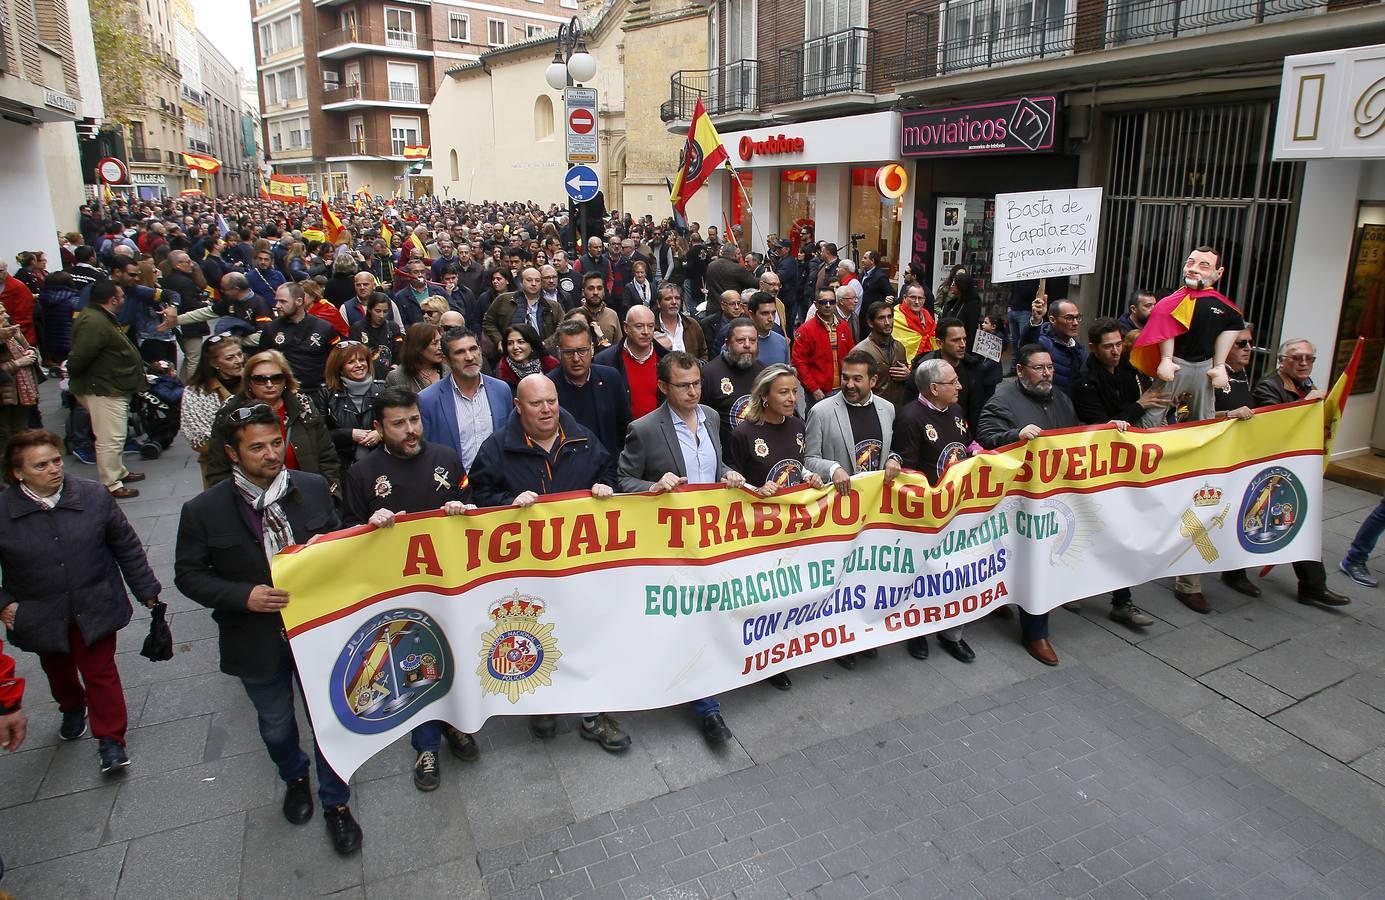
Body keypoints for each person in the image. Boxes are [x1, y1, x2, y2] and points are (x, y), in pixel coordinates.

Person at [174, 404, 362, 855]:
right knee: (277, 724)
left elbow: (338, 541)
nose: (271, 454)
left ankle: (336, 802)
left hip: (316, 635)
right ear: (232, 453)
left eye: (276, 442)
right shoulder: (204, 510)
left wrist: (332, 549)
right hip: (256, 642)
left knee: (328, 722)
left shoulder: (313, 489)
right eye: (256, 447)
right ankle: (294, 775)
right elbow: (189, 575)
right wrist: (245, 596)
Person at [468, 375, 631, 752]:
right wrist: (507, 502)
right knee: (535, 637)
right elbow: (479, 496)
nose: (547, 410)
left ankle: (595, 714)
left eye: (552, 401)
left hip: (580, 566)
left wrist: (604, 488)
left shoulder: (583, 438)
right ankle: (541, 706)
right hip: (529, 571)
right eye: (537, 403)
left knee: (587, 638)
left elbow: (608, 472)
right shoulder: (496, 449)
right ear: (518, 408)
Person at [343, 387, 479, 791]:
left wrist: (463, 510)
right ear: (378, 428)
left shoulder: (445, 458)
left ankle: (457, 726)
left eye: (414, 419)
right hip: (400, 592)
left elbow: (472, 506)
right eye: (398, 423)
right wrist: (370, 524)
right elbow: (345, 533)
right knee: (417, 667)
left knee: (455, 657)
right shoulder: (363, 474)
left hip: (451, 584)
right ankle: (426, 746)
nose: (410, 430)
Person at [0, 429, 159, 773]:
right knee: (57, 669)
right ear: (18, 473)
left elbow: (126, 545)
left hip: (96, 602)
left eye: (56, 460)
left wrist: (146, 590)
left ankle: (111, 740)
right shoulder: (2, 512)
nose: (54, 469)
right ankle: (72, 706)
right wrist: (4, 603)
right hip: (40, 612)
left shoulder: (93, 495)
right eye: (41, 465)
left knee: (100, 671)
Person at [616, 350, 746, 744]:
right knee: (690, 618)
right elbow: (623, 481)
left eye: (696, 384)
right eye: (683, 386)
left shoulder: (710, 417)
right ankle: (707, 708)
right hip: (672, 544)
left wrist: (728, 474)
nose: (693, 392)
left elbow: (714, 467)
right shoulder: (644, 429)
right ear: (662, 387)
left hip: (712, 537)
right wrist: (654, 487)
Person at [802, 350, 910, 666]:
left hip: (875, 514)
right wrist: (833, 468)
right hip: (839, 515)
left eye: (857, 379)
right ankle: (837, 642)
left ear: (873, 380)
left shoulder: (888, 409)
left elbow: (897, 449)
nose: (848, 384)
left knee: (867, 576)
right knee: (838, 580)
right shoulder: (822, 411)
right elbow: (807, 459)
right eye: (845, 377)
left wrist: (896, 459)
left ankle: (863, 633)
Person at [976, 345, 1078, 666]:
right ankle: (1035, 632)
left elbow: (1077, 433)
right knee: (1030, 559)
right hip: (1020, 501)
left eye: (1050, 367)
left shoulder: (1061, 398)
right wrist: (1015, 434)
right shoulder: (1002, 401)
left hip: (1056, 496)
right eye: (1039, 368)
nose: (1047, 373)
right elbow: (986, 436)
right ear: (1020, 371)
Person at [1069, 317, 1170, 627]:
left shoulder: (1126, 368)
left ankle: (1121, 601)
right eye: (1108, 347)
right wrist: (1139, 405)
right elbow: (1103, 426)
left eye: (1118, 345)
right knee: (1093, 529)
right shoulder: (1085, 380)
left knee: (1120, 529)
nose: (1115, 351)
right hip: (1096, 465)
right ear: (1093, 347)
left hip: (1126, 465)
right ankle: (1074, 586)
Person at [1245, 339, 1350, 609]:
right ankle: (1234, 573)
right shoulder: (1269, 386)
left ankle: (1313, 587)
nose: (1304, 363)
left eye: (1309, 358)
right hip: (1265, 468)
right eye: (1297, 357)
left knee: (1298, 522)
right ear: (1282, 360)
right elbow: (1274, 425)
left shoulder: (1305, 384)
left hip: (1291, 469)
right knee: (1249, 521)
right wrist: (1308, 404)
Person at [1131, 246, 1246, 425]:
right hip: (1177, 364)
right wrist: (1167, 358)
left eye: (1204, 265)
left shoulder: (1223, 306)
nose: (1193, 269)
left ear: (1219, 272)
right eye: (1190, 263)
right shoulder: (1172, 301)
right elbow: (1164, 324)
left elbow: (1234, 323)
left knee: (1204, 416)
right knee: (1155, 411)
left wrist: (1220, 365)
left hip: (1205, 367)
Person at [204, 350, 341, 495]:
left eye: (276, 378)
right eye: (260, 379)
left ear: (286, 380)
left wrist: (330, 495)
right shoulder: (231, 412)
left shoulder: (304, 407)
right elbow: (218, 470)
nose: (269, 384)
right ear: (249, 382)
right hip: (252, 502)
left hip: (305, 497)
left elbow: (327, 457)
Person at [67, 280, 146, 499]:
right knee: (110, 437)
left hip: (108, 384)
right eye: (121, 297)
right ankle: (111, 483)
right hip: (103, 388)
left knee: (115, 434)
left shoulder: (97, 317)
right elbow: (79, 358)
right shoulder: (94, 322)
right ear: (112, 300)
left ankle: (118, 471)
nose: (123, 300)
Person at [418, 327, 513, 471]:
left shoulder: (501, 390)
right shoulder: (427, 400)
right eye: (460, 352)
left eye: (473, 349)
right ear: (446, 360)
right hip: (453, 485)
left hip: (497, 484)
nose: (469, 357)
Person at [549, 319, 628, 456]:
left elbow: (624, 427)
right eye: (568, 352)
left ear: (592, 349)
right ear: (559, 352)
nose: (576, 358)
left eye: (582, 351)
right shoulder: (549, 386)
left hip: (610, 466)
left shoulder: (610, 378)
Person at [180, 334, 246, 487]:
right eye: (230, 358)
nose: (238, 361)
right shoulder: (196, 392)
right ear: (214, 363)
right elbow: (198, 438)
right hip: (219, 468)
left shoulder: (255, 380)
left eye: (240, 354)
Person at [260, 283, 340, 394]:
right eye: (277, 301)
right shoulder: (271, 329)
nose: (277, 305)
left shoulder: (324, 328)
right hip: (285, 393)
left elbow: (337, 361)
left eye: (283, 301)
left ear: (299, 301)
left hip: (319, 392)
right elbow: (263, 362)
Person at [318, 341, 382, 472]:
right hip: (341, 467)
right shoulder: (326, 393)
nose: (359, 365)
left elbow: (396, 423)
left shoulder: (382, 389)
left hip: (379, 464)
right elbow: (319, 435)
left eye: (362, 360)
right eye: (351, 362)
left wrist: (380, 433)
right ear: (339, 367)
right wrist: (349, 434)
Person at [595, 304, 665, 422]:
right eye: (639, 326)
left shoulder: (667, 359)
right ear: (626, 328)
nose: (646, 332)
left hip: (660, 434)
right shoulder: (604, 361)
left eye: (651, 326)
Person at [701, 318, 764, 448]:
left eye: (752, 340)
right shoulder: (708, 374)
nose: (747, 345)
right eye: (740, 340)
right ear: (727, 343)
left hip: (760, 451)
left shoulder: (764, 372)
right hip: (726, 456)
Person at [792, 288, 853, 406]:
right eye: (823, 302)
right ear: (816, 304)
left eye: (831, 302)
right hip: (819, 392)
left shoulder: (843, 326)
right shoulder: (805, 330)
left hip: (843, 390)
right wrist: (813, 389)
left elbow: (851, 356)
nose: (828, 305)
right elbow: (799, 363)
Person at [483, 266, 562, 354]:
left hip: (542, 353)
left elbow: (563, 327)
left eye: (537, 280)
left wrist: (547, 344)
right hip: (511, 352)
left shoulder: (553, 306)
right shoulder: (504, 300)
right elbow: (488, 322)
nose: (533, 283)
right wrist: (500, 341)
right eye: (529, 280)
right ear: (521, 282)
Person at [1021, 296, 1088, 393]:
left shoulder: (1079, 349)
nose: (1075, 323)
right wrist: (1036, 321)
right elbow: (1027, 347)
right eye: (1069, 318)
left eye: (1078, 318)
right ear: (1053, 320)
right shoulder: (1043, 343)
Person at [851, 301, 909, 409]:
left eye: (890, 317)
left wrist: (908, 376)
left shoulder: (900, 347)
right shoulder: (860, 351)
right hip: (872, 411)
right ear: (870, 323)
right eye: (881, 318)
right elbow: (853, 388)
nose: (887, 322)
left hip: (898, 411)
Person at [349, 292, 404, 380]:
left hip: (389, 376)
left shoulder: (393, 327)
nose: (381, 315)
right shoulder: (357, 328)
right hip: (366, 376)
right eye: (378, 311)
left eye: (385, 311)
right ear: (370, 309)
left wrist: (396, 365)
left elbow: (400, 350)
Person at [36, 270, 81, 368]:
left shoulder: (43, 300)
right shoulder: (73, 301)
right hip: (72, 341)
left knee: (63, 369)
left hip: (52, 342)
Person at [653, 282, 706, 361]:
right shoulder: (650, 328)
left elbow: (704, 353)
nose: (674, 302)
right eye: (668, 299)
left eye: (677, 298)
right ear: (658, 303)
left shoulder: (692, 324)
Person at [386, 322, 445, 393]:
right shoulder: (397, 377)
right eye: (434, 343)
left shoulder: (449, 371)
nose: (440, 347)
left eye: (441, 342)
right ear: (419, 347)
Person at [496, 322, 559, 387]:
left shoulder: (552, 366)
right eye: (510, 343)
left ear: (532, 344)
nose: (515, 347)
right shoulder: (502, 373)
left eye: (521, 342)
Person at [579, 270, 622, 346]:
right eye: (591, 288)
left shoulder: (612, 315)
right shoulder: (576, 316)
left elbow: (618, 348)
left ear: (604, 291)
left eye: (599, 288)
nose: (595, 292)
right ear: (583, 292)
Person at [749, 292, 790, 366]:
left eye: (773, 313)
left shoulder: (782, 341)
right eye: (765, 313)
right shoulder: (739, 342)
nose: (771, 318)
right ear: (751, 315)